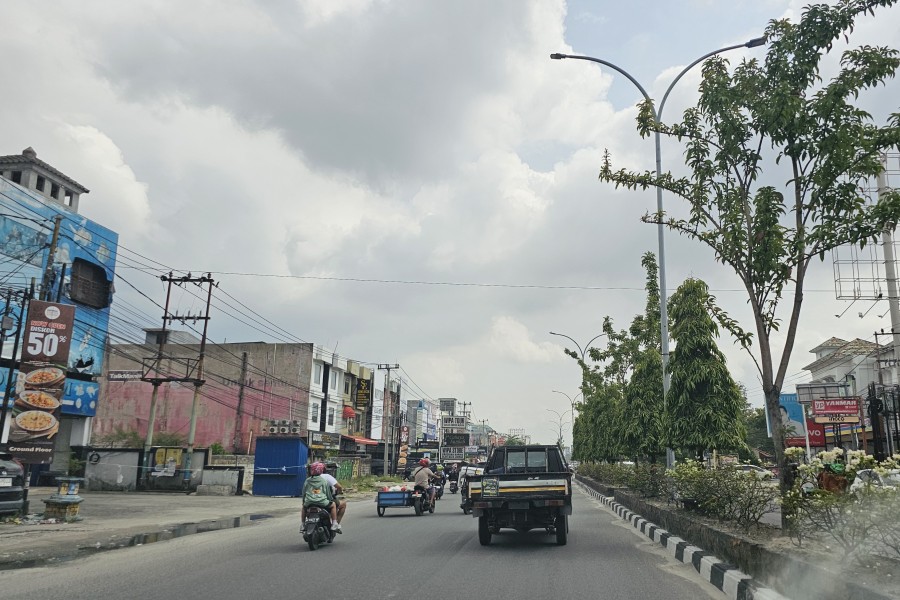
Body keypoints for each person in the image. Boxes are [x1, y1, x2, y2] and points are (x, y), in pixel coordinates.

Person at [301, 462, 340, 532]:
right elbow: (327, 493)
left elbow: (303, 492)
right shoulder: (323, 481)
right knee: (333, 505)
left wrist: (304, 501)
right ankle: (334, 523)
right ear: (321, 470)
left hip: (309, 502)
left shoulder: (307, 480)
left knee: (304, 507)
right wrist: (330, 499)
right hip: (322, 502)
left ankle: (303, 524)